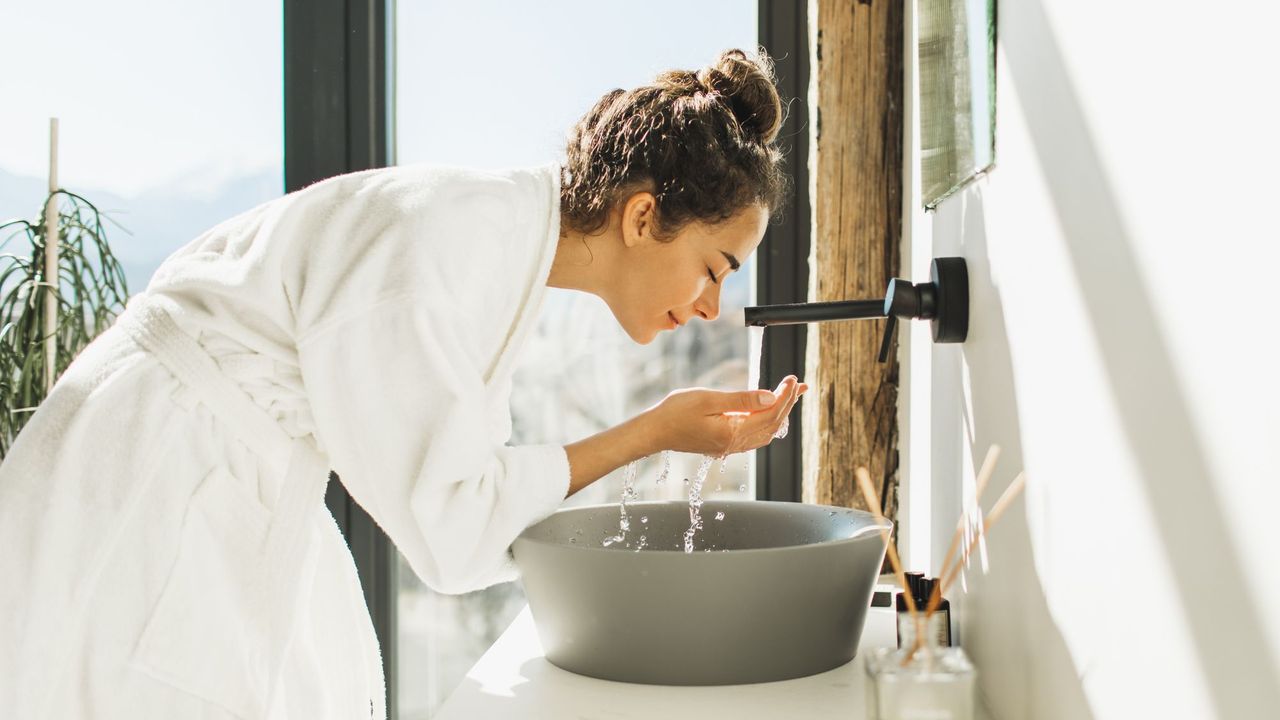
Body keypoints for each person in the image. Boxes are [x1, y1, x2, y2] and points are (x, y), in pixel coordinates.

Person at [0, 47, 807, 718]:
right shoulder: (442, 249)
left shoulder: (494, 245)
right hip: (157, 470)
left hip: (221, 461)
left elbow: (462, 500)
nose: (711, 308)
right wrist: (654, 431)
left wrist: (656, 429)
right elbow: (454, 533)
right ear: (640, 219)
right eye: (715, 269)